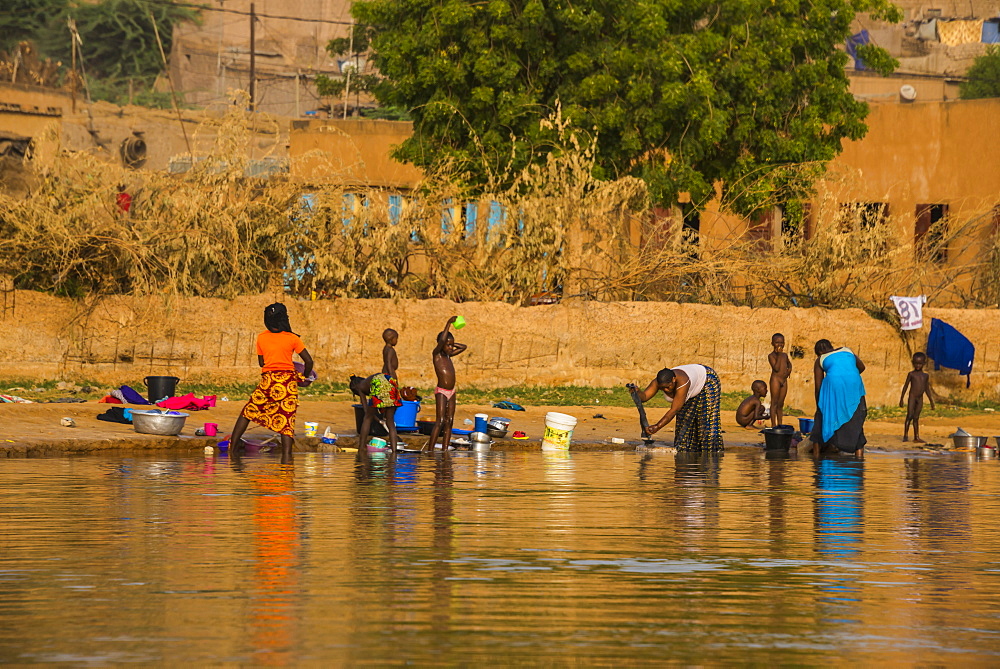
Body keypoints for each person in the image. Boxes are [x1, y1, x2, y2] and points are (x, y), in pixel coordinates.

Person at [229, 303, 313, 461]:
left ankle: (232, 450)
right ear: (284, 318)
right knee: (286, 420)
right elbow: (309, 362)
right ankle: (286, 460)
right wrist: (304, 377)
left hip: (268, 382)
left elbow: (262, 363)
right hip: (287, 383)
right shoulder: (293, 338)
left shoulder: (262, 337)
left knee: (249, 411)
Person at [630, 364, 724, 452]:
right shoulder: (658, 382)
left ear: (674, 379)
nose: (666, 390)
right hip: (692, 386)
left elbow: (674, 409)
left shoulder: (683, 381)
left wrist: (657, 426)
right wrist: (636, 392)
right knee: (684, 426)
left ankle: (711, 455)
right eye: (662, 388)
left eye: (668, 387)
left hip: (707, 382)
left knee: (705, 422)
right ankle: (688, 454)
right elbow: (644, 397)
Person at [811, 339, 866, 458]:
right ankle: (859, 457)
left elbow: (818, 386)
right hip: (854, 384)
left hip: (834, 386)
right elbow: (861, 367)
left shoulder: (820, 359)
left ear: (819, 352)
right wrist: (850, 374)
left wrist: (820, 407)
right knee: (856, 420)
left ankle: (816, 457)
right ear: (831, 346)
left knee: (820, 420)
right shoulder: (847, 350)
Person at [424, 316, 467, 452]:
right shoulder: (437, 354)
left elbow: (464, 347)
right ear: (440, 344)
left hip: (451, 392)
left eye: (451, 345)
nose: (450, 347)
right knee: (441, 421)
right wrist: (448, 323)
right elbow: (442, 340)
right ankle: (430, 450)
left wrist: (451, 344)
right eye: (447, 345)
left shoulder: (448, 355)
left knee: (450, 421)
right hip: (442, 391)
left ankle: (444, 450)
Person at [349, 373, 401, 454]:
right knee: (390, 421)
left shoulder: (360, 387)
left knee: (367, 418)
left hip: (379, 384)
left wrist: (375, 419)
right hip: (391, 383)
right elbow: (385, 396)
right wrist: (380, 419)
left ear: (355, 388)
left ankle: (361, 447)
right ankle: (394, 451)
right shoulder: (368, 381)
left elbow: (366, 411)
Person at [900, 351, 935, 443]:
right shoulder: (911, 374)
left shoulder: (925, 376)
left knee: (916, 418)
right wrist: (901, 399)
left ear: (924, 363)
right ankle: (905, 436)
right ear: (913, 363)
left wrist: (931, 401)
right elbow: (906, 386)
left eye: (920, 364)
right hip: (912, 397)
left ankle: (916, 437)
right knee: (909, 416)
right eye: (916, 363)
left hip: (920, 398)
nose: (918, 366)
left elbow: (927, 388)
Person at [768, 333, 791, 427]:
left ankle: (780, 424)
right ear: (772, 343)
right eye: (777, 343)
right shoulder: (771, 356)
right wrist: (779, 355)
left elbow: (789, 364)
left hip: (784, 380)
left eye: (782, 343)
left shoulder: (785, 355)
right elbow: (776, 368)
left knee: (781, 403)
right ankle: (773, 425)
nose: (780, 345)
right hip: (775, 380)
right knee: (774, 402)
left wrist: (788, 371)